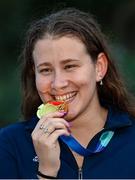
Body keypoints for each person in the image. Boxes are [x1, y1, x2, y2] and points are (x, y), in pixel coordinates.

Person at [0, 8, 135, 179]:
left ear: (99, 67)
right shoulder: (10, 144)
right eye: (46, 70)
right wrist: (46, 172)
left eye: (70, 66)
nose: (58, 84)